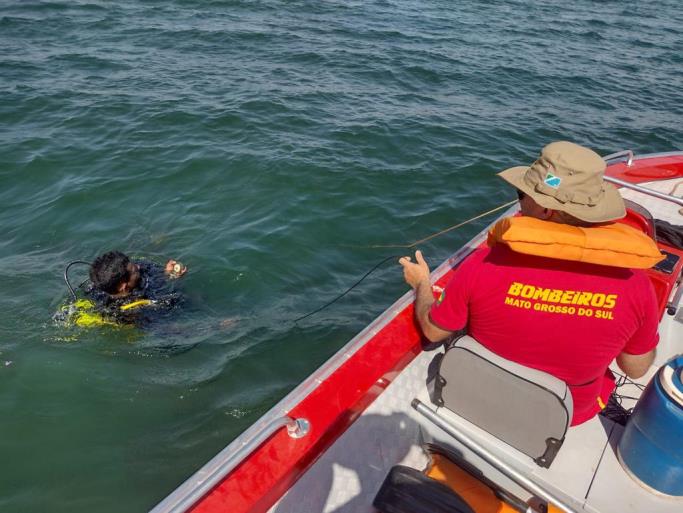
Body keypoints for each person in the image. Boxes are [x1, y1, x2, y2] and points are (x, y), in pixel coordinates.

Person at [399, 141, 661, 426]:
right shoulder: (636, 285)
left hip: (478, 396)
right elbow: (635, 369)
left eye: (522, 194)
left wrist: (421, 283)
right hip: (567, 416)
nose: (519, 201)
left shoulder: (483, 263)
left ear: (546, 210)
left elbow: (433, 331)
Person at [86, 250, 188, 325]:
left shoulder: (101, 286)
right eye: (134, 271)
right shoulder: (128, 313)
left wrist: (166, 273)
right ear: (123, 286)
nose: (138, 267)